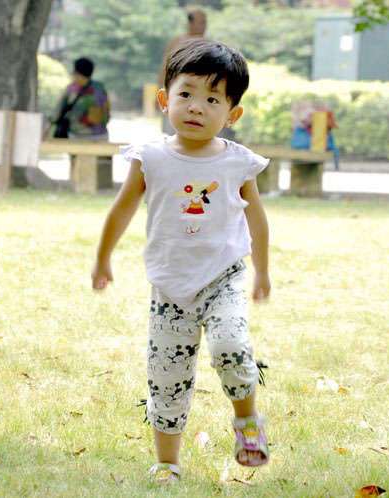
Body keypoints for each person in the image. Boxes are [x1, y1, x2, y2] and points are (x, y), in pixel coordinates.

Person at [91, 40, 271, 484]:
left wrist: (262, 271)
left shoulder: (237, 163)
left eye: (213, 99)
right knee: (166, 374)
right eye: (186, 93)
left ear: (232, 114)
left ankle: (247, 422)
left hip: (223, 277)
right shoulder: (150, 157)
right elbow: (122, 209)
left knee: (230, 347)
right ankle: (167, 462)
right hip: (170, 286)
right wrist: (103, 258)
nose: (196, 107)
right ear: (163, 98)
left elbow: (257, 220)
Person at [52, 57, 110, 140]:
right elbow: (107, 111)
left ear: (76, 72)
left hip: (77, 136)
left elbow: (57, 112)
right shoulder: (100, 88)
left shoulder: (71, 89)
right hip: (100, 135)